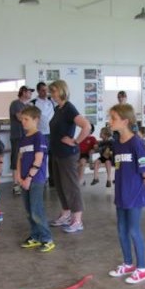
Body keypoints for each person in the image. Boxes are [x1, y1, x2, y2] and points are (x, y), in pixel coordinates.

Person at [107, 103, 145, 284]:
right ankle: (127, 263)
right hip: (121, 194)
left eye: (113, 118)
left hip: (135, 194)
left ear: (125, 121)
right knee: (121, 230)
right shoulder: (117, 144)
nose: (110, 122)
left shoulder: (137, 143)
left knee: (134, 230)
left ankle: (142, 269)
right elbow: (119, 168)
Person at [48, 80, 91, 233]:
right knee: (59, 185)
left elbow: (87, 126)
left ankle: (77, 220)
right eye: (50, 91)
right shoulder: (58, 109)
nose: (51, 94)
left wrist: (75, 141)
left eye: (53, 91)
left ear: (61, 91)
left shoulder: (68, 108)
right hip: (56, 153)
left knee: (71, 186)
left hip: (67, 154)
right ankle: (66, 213)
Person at [15, 106, 54, 253]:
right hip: (24, 179)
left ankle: (47, 238)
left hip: (36, 179)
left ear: (36, 120)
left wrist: (29, 177)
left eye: (26, 119)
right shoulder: (24, 139)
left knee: (36, 210)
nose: (23, 122)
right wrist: (19, 175)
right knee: (28, 210)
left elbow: (39, 159)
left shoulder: (39, 137)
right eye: (22, 119)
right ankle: (35, 236)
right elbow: (19, 158)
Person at [10, 85, 34, 195]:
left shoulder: (29, 105)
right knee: (16, 159)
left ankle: (26, 181)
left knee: (27, 158)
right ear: (24, 92)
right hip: (17, 136)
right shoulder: (15, 104)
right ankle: (16, 184)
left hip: (28, 136)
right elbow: (20, 118)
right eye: (29, 92)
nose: (31, 94)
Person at [32, 82, 56, 187]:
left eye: (46, 90)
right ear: (38, 91)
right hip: (40, 134)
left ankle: (53, 180)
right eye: (42, 90)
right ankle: (41, 179)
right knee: (41, 158)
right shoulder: (33, 103)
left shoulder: (51, 101)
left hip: (52, 133)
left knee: (53, 157)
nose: (45, 92)